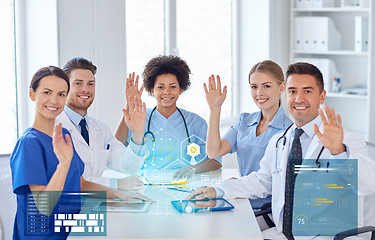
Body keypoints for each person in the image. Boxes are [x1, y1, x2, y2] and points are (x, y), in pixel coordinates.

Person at [187, 62, 375, 239]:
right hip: (283, 234)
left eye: (307, 91)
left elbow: (368, 185)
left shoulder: (347, 139)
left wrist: (338, 152)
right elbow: (261, 181)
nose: (299, 98)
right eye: (293, 91)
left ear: (322, 96)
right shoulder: (280, 141)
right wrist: (217, 190)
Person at [115, 55, 221, 179]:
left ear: (181, 89)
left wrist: (192, 169)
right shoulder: (140, 117)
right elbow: (116, 146)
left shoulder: (195, 122)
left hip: (181, 188)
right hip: (143, 187)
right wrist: (130, 105)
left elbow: (215, 161)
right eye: (160, 87)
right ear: (152, 90)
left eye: (173, 86)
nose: (167, 92)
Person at [56, 57, 148, 190]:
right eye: (78, 83)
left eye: (90, 84)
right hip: (66, 206)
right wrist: (115, 184)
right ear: (65, 87)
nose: (85, 89)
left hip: (98, 204)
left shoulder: (101, 128)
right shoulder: (54, 127)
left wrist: (137, 136)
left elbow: (128, 166)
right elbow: (65, 180)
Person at [205, 60, 292, 177]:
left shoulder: (289, 130)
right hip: (243, 194)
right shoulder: (244, 121)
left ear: (281, 88)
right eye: (254, 87)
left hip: (270, 195)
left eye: (266, 86)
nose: (259, 93)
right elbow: (214, 152)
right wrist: (215, 109)